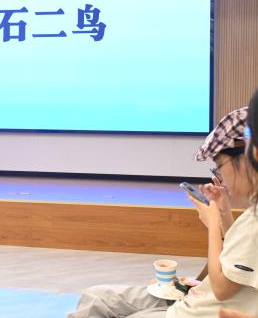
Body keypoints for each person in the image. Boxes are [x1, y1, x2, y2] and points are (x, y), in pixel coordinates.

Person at [66, 96, 258, 318]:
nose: (220, 176)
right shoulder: (252, 213)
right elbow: (240, 255)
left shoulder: (254, 220)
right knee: (96, 296)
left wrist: (214, 224)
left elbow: (223, 289)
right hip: (195, 299)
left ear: (248, 157)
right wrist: (223, 212)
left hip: (198, 310)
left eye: (219, 167)